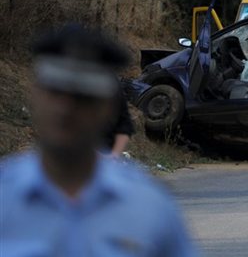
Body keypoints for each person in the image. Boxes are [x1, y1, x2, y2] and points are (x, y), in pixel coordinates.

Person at [0, 25, 198, 257]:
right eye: (55, 91)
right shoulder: (6, 198)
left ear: (107, 108)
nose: (65, 108)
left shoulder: (149, 208)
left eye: (81, 97)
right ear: (35, 96)